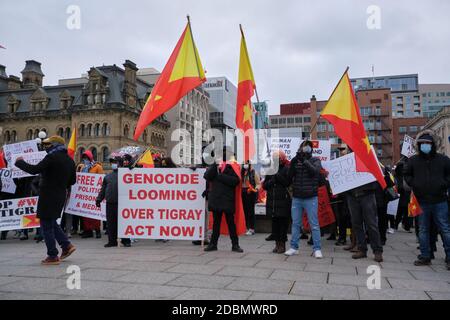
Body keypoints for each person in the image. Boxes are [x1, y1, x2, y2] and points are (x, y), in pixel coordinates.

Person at [15, 135, 76, 265]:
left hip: (48, 195)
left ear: (54, 145)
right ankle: (66, 246)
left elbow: (34, 169)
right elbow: (73, 181)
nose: (46, 148)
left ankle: (52, 256)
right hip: (60, 195)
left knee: (46, 225)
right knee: (52, 221)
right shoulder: (70, 161)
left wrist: (20, 162)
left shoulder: (51, 157)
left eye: (48, 145)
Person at [404, 130, 450, 269]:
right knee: (423, 229)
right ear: (419, 145)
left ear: (433, 145)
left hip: (440, 200)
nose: (425, 145)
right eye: (422, 143)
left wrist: (443, 184)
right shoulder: (413, 160)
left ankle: (449, 257)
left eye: (428, 143)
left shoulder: (443, 160)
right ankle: (425, 256)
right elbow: (407, 174)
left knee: (445, 229)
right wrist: (414, 184)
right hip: (422, 201)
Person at [286, 140, 323, 259]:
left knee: (314, 224)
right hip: (297, 197)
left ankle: (317, 249)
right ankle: (294, 247)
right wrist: (293, 162)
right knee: (296, 223)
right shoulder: (296, 160)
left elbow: (315, 172)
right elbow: (289, 177)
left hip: (311, 197)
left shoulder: (315, 160)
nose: (305, 148)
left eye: (308, 147)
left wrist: (304, 161)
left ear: (311, 149)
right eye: (303, 147)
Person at [204, 146, 245, 253]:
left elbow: (235, 181)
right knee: (216, 224)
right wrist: (215, 166)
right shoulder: (215, 165)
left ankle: (235, 245)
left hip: (227, 199)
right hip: (216, 198)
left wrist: (220, 176)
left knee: (231, 223)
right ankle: (213, 244)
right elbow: (207, 176)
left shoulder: (233, 166)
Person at [96, 156, 131, 248]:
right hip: (110, 203)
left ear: (120, 163)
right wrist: (99, 199)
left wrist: (132, 168)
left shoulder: (127, 174)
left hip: (122, 203)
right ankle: (112, 241)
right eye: (112, 162)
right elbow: (103, 189)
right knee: (111, 223)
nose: (113, 164)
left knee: (123, 223)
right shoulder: (107, 177)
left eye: (115, 162)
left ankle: (126, 240)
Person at [263, 150, 291, 254]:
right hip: (272, 202)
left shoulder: (287, 169)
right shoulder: (270, 170)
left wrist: (278, 176)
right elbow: (264, 185)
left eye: (278, 158)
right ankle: (276, 244)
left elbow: (287, 183)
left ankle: (282, 245)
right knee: (275, 225)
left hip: (283, 202)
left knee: (283, 225)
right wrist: (272, 180)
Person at [77, 150, 104, 239]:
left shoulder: (97, 167)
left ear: (90, 158)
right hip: (85, 194)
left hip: (94, 194)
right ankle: (87, 231)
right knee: (85, 215)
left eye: (86, 158)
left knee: (95, 214)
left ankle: (97, 230)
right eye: (84, 158)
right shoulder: (82, 168)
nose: (85, 160)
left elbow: (101, 180)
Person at [241, 161, 260, 236]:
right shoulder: (241, 172)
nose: (245, 165)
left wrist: (255, 189)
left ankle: (252, 228)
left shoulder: (253, 172)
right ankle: (245, 227)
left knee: (251, 211)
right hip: (243, 192)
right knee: (244, 211)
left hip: (251, 192)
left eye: (246, 163)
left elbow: (258, 183)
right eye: (244, 164)